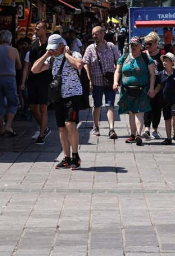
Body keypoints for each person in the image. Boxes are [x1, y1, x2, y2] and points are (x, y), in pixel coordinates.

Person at [31, 33, 85, 170]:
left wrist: (66, 54)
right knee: (61, 127)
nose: (53, 51)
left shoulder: (74, 54)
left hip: (73, 95)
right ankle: (66, 158)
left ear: (62, 45)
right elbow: (34, 69)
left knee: (70, 124)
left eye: (55, 48)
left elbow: (79, 65)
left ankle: (75, 157)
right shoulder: (52, 59)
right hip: (58, 96)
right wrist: (46, 55)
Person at [114, 36, 156, 145]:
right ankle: (132, 135)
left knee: (139, 112)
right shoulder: (124, 57)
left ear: (140, 46)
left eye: (136, 45)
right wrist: (115, 82)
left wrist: (152, 88)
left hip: (142, 90)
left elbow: (152, 74)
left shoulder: (146, 58)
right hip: (127, 90)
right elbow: (118, 71)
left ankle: (138, 134)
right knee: (131, 112)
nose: (133, 47)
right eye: (132, 45)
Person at [83, 26, 121, 138]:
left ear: (103, 34)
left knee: (110, 105)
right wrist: (89, 80)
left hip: (109, 81)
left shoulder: (111, 47)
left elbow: (118, 61)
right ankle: (96, 126)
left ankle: (111, 129)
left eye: (96, 33)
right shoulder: (90, 49)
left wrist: (117, 79)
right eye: (93, 34)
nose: (94, 36)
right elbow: (86, 65)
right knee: (97, 105)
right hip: (96, 82)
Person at [21, 22, 52, 144]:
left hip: (45, 80)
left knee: (43, 107)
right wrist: (23, 81)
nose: (35, 30)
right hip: (33, 80)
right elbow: (27, 66)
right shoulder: (33, 46)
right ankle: (45, 128)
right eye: (35, 28)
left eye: (38, 29)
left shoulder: (50, 46)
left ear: (44, 30)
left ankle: (42, 134)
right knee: (33, 107)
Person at [158, 52, 175, 145]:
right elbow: (159, 86)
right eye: (163, 61)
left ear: (172, 62)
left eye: (166, 61)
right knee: (167, 118)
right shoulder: (161, 74)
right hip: (165, 100)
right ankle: (168, 137)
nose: (164, 63)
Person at [142, 32, 165, 139]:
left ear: (156, 43)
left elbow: (165, 70)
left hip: (159, 85)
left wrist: (156, 89)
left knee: (156, 108)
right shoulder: (143, 54)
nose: (147, 46)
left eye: (150, 44)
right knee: (147, 107)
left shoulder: (162, 54)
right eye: (146, 43)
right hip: (146, 85)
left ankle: (155, 129)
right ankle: (146, 129)